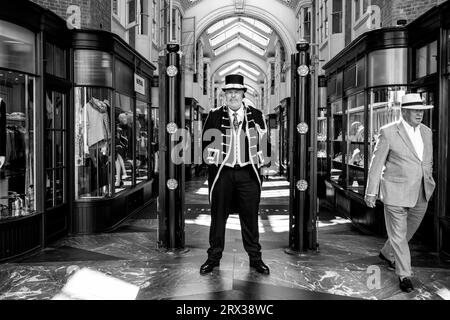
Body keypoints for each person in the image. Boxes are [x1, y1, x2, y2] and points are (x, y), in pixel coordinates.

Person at [365, 93, 435, 293]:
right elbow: (376, 164)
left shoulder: (427, 132)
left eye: (421, 110)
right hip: (395, 191)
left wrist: (429, 178)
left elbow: (425, 160)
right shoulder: (388, 132)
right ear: (404, 112)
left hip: (422, 190)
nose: (419, 114)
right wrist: (371, 192)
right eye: (414, 110)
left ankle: (387, 253)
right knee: (398, 233)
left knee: (407, 232)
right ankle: (404, 274)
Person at [200, 74, 270, 275]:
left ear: (242, 94)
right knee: (218, 217)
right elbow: (205, 142)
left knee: (250, 218)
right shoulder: (214, 115)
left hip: (248, 173)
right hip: (223, 173)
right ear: (225, 95)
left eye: (236, 92)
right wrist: (210, 156)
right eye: (229, 92)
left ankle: (255, 259)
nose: (233, 96)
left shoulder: (256, 115)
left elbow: (264, 142)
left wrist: (264, 164)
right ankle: (213, 258)